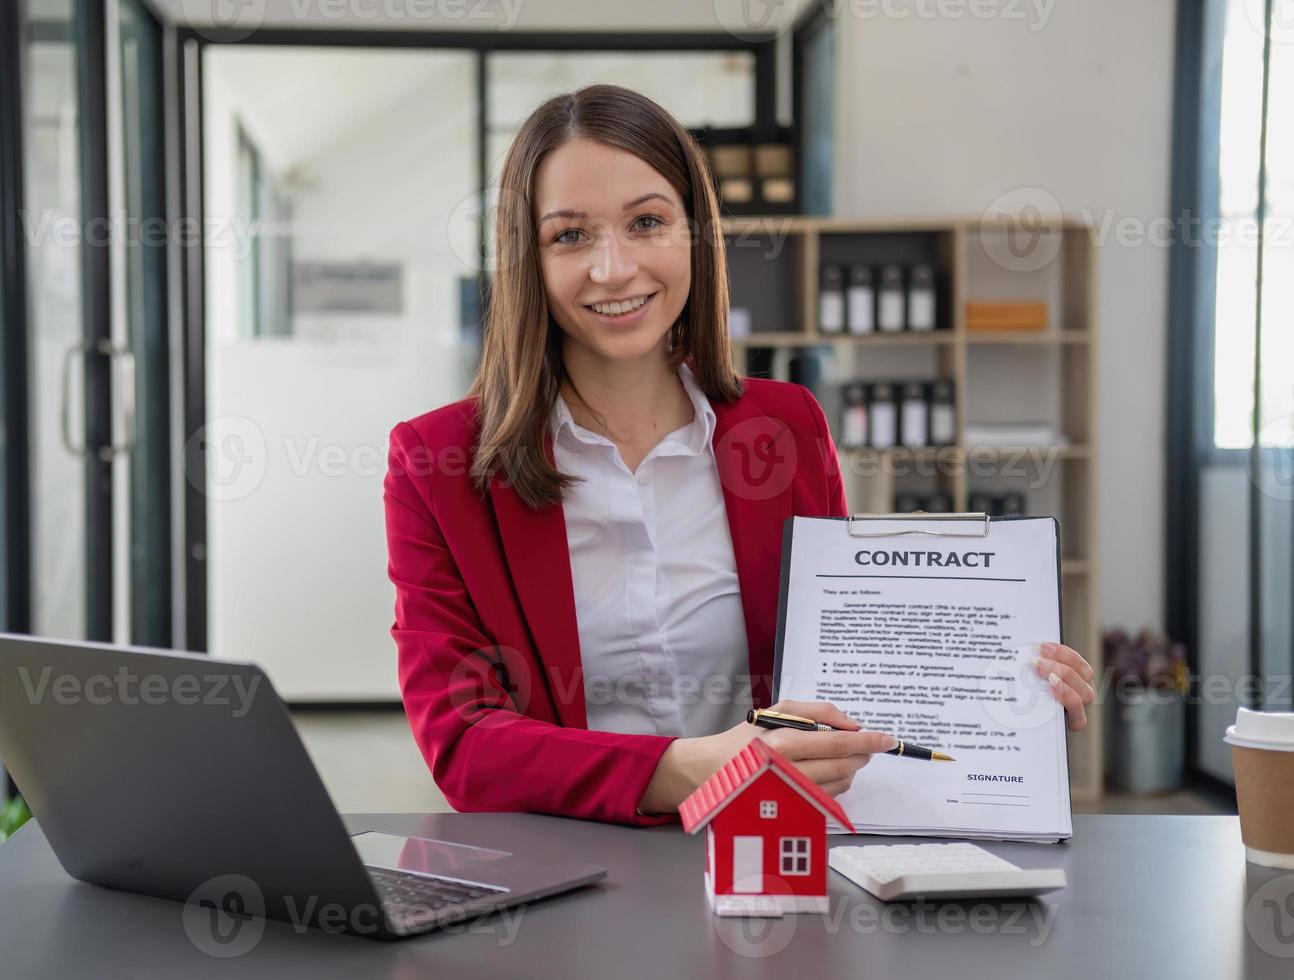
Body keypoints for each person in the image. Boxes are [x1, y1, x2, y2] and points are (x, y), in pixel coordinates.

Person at [382, 84, 1095, 826]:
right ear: (525, 256)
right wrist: (693, 767)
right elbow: (464, 746)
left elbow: (844, 664)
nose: (615, 268)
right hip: (562, 873)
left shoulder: (786, 428)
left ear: (696, 232)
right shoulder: (436, 463)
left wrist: (996, 683)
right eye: (570, 236)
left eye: (648, 222)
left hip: (764, 850)